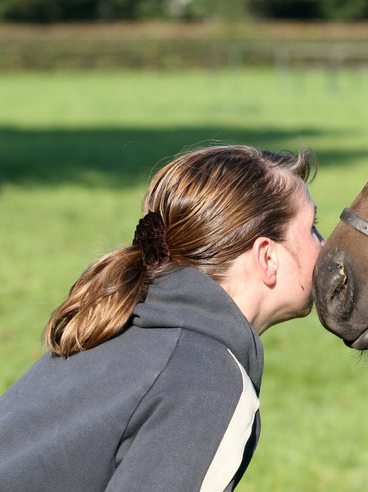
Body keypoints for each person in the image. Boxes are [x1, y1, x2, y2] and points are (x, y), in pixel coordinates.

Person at [0, 144, 324, 491]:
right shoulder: (206, 380)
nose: (324, 243)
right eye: (312, 228)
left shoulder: (114, 327)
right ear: (267, 258)